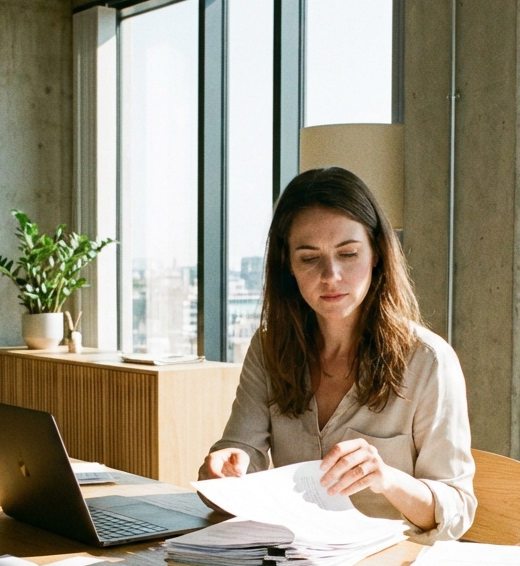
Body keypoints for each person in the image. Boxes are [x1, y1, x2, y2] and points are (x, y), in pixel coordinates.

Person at [200, 166, 475, 541]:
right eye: (309, 258)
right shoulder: (269, 348)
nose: (331, 275)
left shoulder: (428, 361)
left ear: (376, 252)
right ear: (288, 264)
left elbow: (457, 510)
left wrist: (386, 478)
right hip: (294, 562)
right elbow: (241, 450)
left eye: (348, 253)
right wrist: (226, 468)